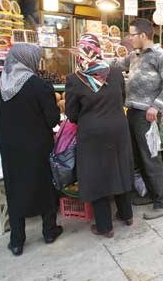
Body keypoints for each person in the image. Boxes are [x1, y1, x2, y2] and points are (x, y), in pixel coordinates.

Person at [65, 34, 134, 238]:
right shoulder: (115, 73)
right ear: (97, 50)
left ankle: (105, 227)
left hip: (93, 133)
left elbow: (71, 114)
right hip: (118, 127)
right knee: (119, 168)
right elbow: (122, 97)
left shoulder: (74, 79)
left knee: (98, 176)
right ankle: (126, 215)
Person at [0, 43, 62, 256]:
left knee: (14, 185)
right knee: (44, 184)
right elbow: (53, 118)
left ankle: (17, 241)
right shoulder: (39, 86)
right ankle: (49, 231)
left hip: (9, 144)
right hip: (36, 143)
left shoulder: (2, 80)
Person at [112, 18, 163, 219]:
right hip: (131, 111)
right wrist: (92, 58)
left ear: (143, 35)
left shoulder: (161, 56)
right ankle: (150, 193)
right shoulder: (134, 56)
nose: (129, 39)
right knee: (138, 157)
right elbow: (115, 66)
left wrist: (156, 106)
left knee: (150, 157)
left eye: (132, 35)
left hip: (147, 115)